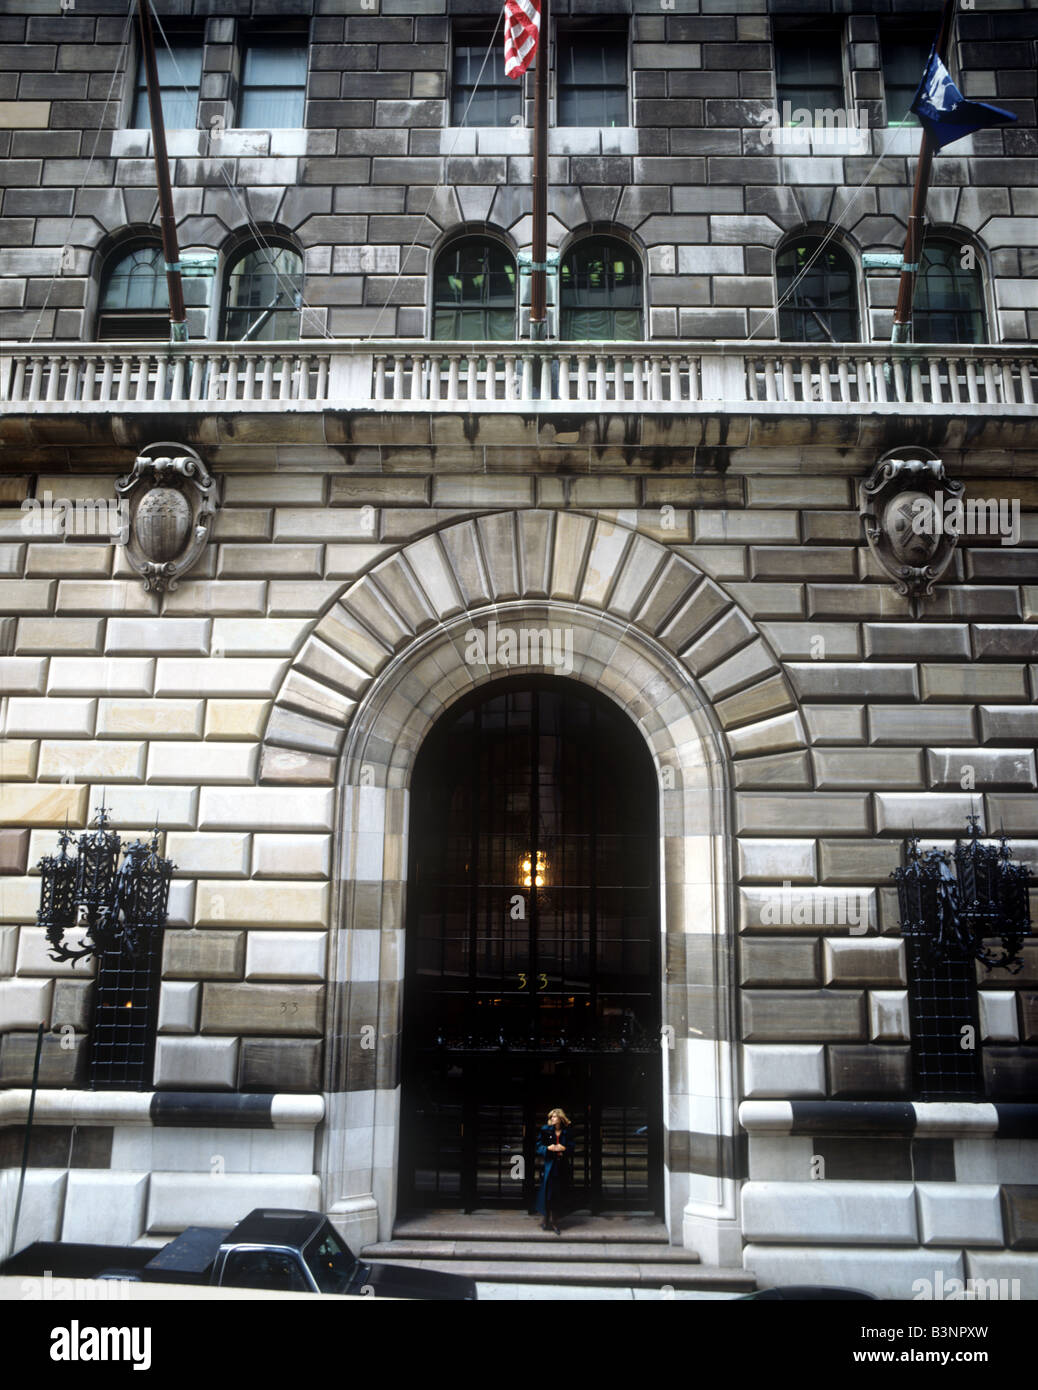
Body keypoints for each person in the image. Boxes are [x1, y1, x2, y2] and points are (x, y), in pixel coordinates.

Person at [535, 1107, 572, 1234]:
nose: (552, 1119)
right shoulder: (545, 1131)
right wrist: (548, 1149)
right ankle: (545, 1219)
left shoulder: (566, 1132)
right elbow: (538, 1146)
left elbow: (572, 1147)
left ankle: (555, 1221)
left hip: (561, 1166)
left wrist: (564, 1149)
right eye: (551, 1117)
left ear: (561, 1118)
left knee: (558, 1193)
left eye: (554, 1117)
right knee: (547, 1193)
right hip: (549, 1166)